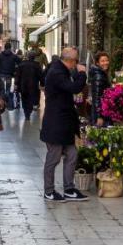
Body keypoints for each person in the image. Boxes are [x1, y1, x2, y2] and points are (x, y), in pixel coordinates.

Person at [40, 47, 89, 202]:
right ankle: (49, 191)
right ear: (71, 61)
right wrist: (82, 73)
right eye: (76, 61)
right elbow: (73, 87)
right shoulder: (56, 72)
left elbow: (70, 82)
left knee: (72, 154)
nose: (77, 64)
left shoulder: (62, 70)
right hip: (56, 123)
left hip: (65, 122)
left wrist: (77, 73)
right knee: (53, 158)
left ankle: (69, 188)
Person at [15, 49, 44, 122]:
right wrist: (42, 83)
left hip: (23, 85)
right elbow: (41, 76)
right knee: (31, 99)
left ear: (27, 56)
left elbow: (17, 76)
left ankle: (26, 113)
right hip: (33, 86)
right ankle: (29, 112)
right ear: (34, 57)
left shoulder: (21, 64)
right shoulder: (37, 65)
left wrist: (16, 84)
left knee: (24, 99)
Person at [89, 51, 112, 126]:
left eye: (107, 60)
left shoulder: (101, 74)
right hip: (101, 113)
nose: (106, 62)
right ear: (97, 63)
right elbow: (97, 97)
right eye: (102, 61)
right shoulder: (99, 76)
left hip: (103, 110)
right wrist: (99, 116)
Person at [0, 45, 20, 109]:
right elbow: (19, 62)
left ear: (4, 47)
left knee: (1, 88)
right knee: (8, 89)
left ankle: (3, 102)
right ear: (10, 48)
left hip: (1, 75)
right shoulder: (14, 56)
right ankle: (8, 102)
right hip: (9, 75)